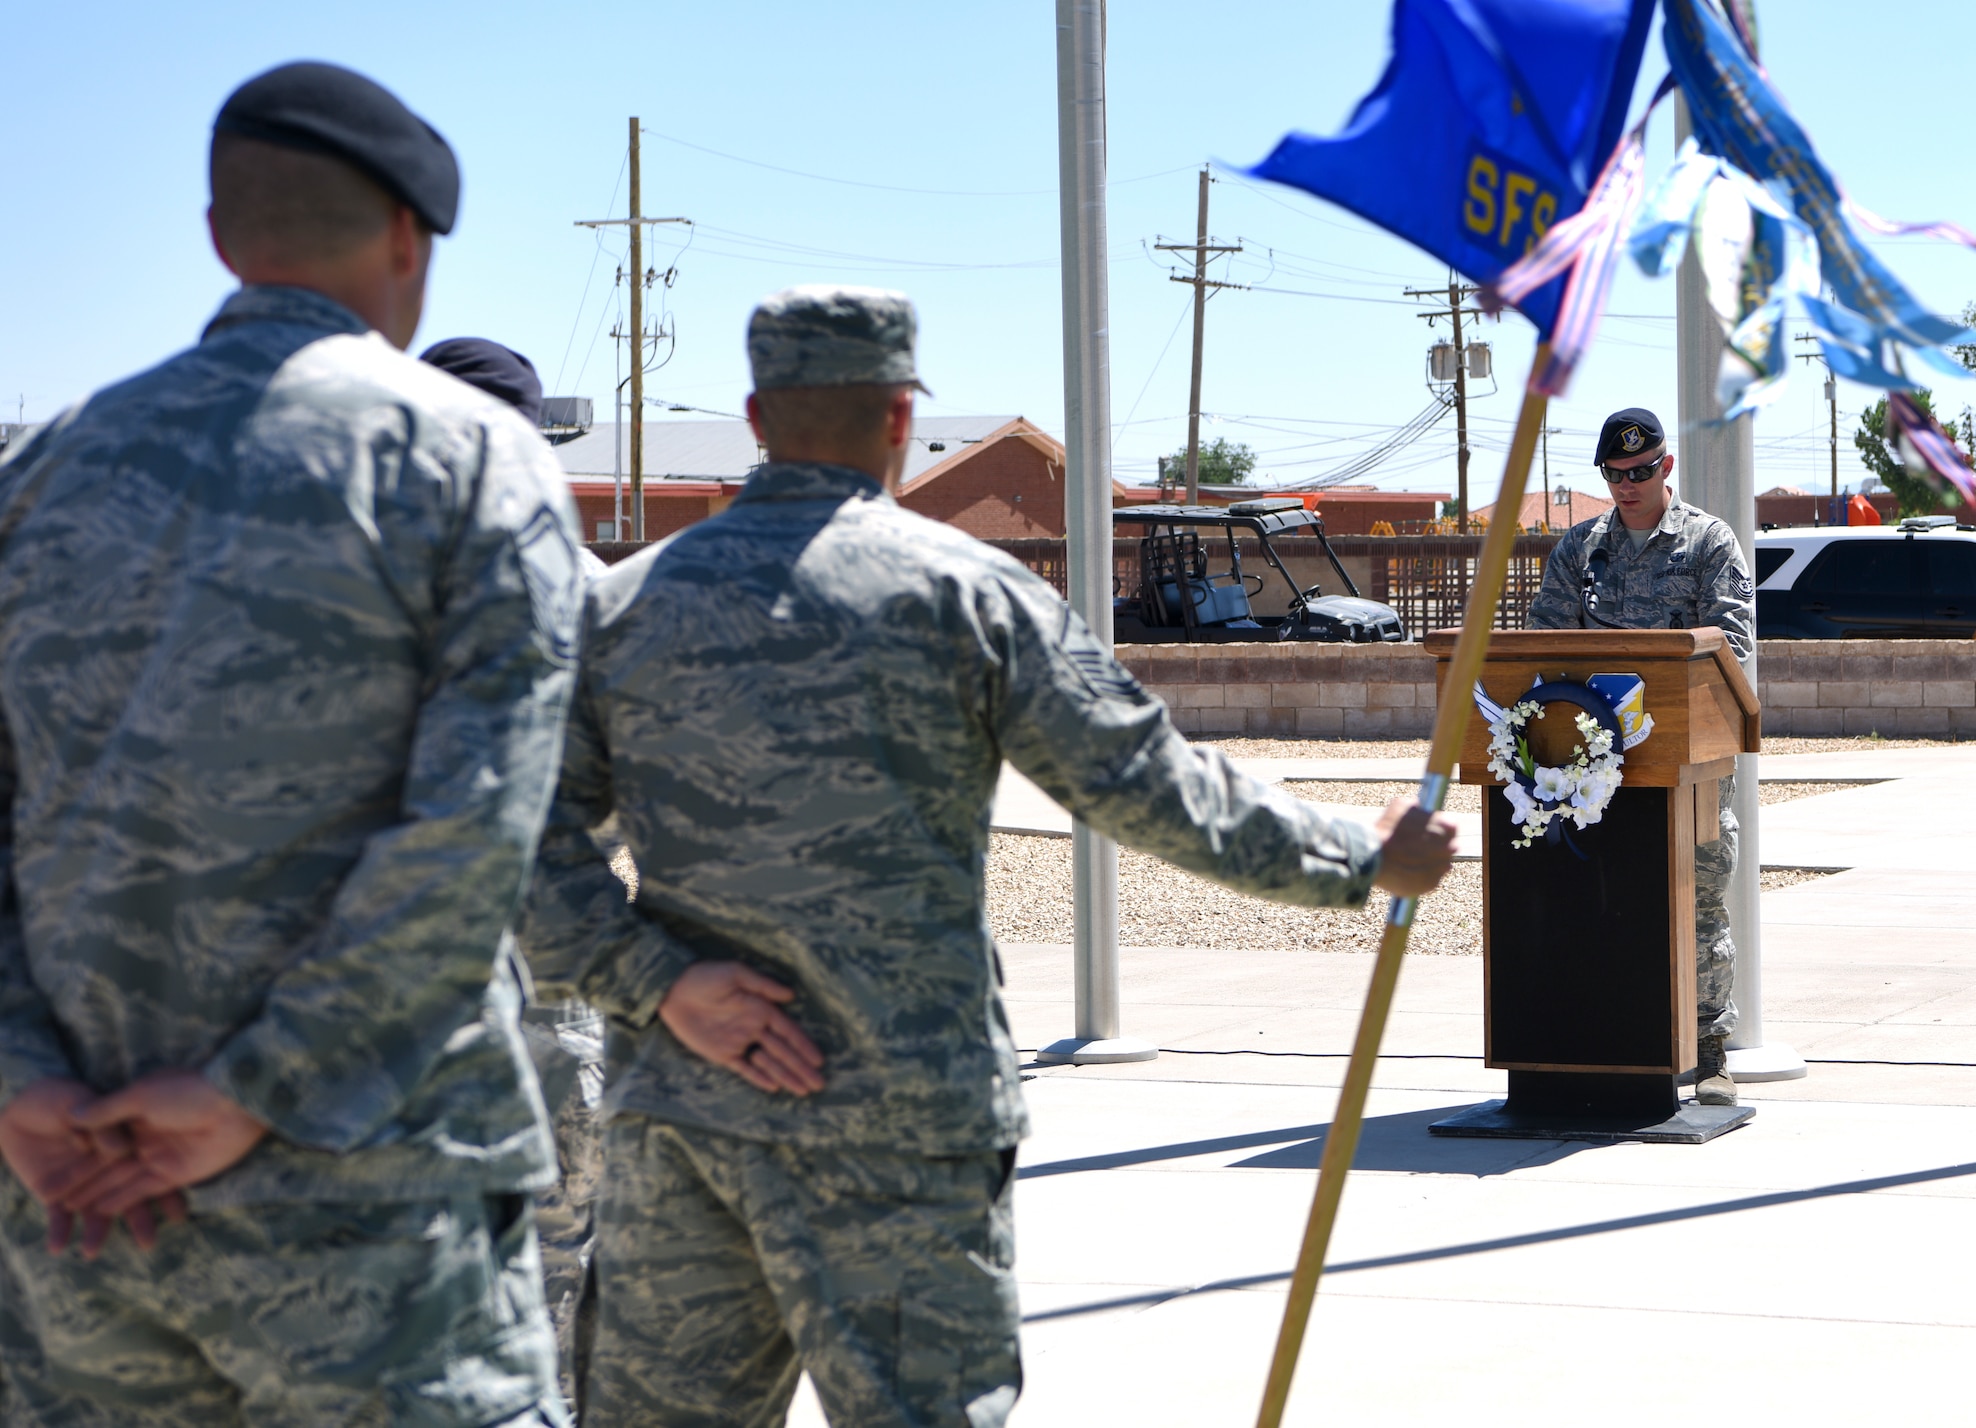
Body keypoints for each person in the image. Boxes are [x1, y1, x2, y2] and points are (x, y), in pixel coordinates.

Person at [515, 284, 1460, 1426]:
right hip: (901, 1131)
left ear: (757, 417)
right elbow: (1150, 788)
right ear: (902, 418)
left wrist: (660, 985)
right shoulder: (967, 597)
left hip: (684, 1124)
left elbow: (520, 848)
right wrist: (1356, 855)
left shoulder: (623, 604)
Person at [0, 61, 583, 1425]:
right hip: (374, 1221)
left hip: (76, 1214)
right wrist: (248, 1090)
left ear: (219, 238)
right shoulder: (471, 467)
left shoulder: (42, 470)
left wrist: (21, 1078)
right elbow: (470, 841)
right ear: (407, 240)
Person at [420, 336, 606, 1408]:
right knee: (561, 1270)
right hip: (556, 997)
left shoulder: (346, 581)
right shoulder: (594, 598)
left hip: (399, 1012)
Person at [1527, 406, 1755, 1108]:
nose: (1629, 484)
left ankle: (1709, 1047)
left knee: (1700, 898)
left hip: (1688, 762)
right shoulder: (1579, 549)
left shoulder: (1709, 543)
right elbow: (1543, 648)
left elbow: (1735, 651)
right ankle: (1610, 1039)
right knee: (1599, 897)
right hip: (1594, 765)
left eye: (1642, 471)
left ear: (1667, 467)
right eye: (1616, 474)